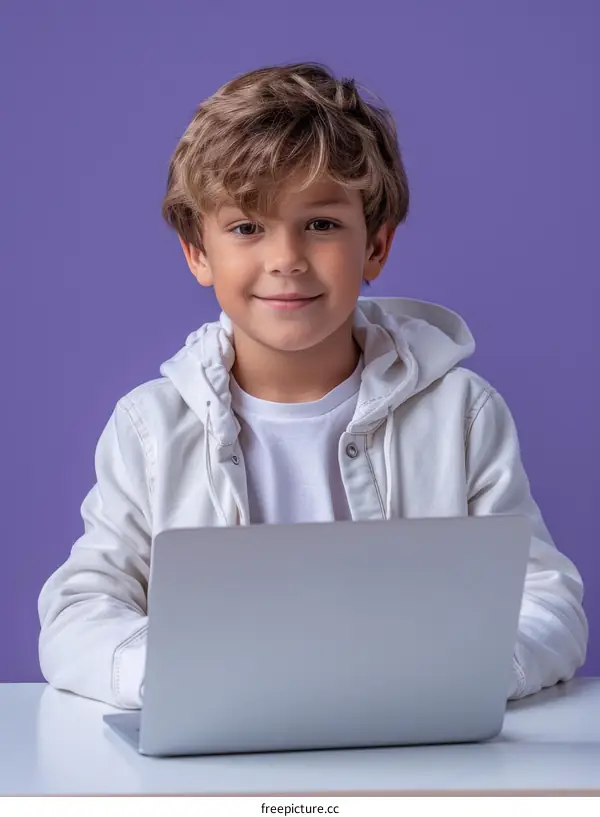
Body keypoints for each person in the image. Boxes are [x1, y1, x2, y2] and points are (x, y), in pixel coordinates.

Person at [38, 62, 587, 710]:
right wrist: (169, 676)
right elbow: (78, 610)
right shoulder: (149, 430)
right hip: (221, 760)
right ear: (198, 252)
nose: (286, 258)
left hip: (411, 750)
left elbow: (548, 600)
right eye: (247, 227)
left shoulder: (462, 415)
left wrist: (467, 670)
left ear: (376, 245)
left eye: (321, 224)